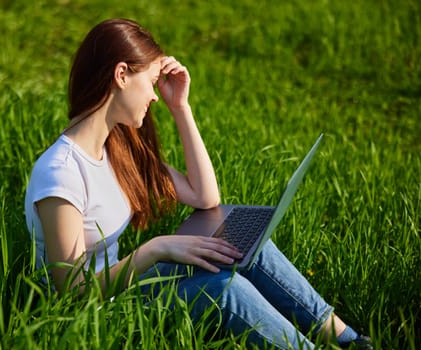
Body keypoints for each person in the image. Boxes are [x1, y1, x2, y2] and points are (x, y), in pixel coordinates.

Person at [24, 18, 372, 349]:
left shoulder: (116, 149)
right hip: (93, 319)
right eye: (150, 82)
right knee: (224, 290)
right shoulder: (62, 173)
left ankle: (350, 341)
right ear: (121, 75)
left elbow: (205, 197)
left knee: (244, 242)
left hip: (124, 290)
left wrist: (181, 107)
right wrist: (155, 248)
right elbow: (72, 291)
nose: (154, 96)